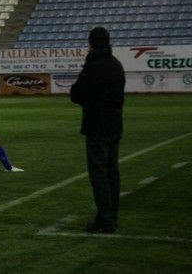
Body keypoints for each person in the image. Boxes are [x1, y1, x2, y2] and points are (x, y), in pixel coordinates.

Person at [70, 27, 125, 234]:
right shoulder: (116, 65)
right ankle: (112, 216)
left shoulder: (93, 65)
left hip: (97, 126)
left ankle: (105, 220)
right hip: (115, 124)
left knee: (99, 173)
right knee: (112, 172)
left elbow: (76, 93)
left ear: (91, 43)